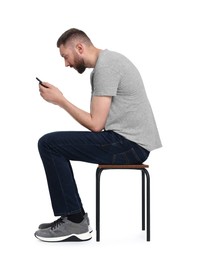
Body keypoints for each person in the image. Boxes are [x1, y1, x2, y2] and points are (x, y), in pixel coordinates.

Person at [34, 28, 162, 242]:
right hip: (128, 141)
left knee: (49, 144)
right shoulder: (105, 65)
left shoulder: (106, 67)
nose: (66, 64)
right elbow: (98, 124)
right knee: (50, 143)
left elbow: (95, 125)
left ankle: (75, 221)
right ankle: (72, 217)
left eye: (65, 56)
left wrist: (61, 101)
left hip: (130, 144)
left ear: (80, 48)